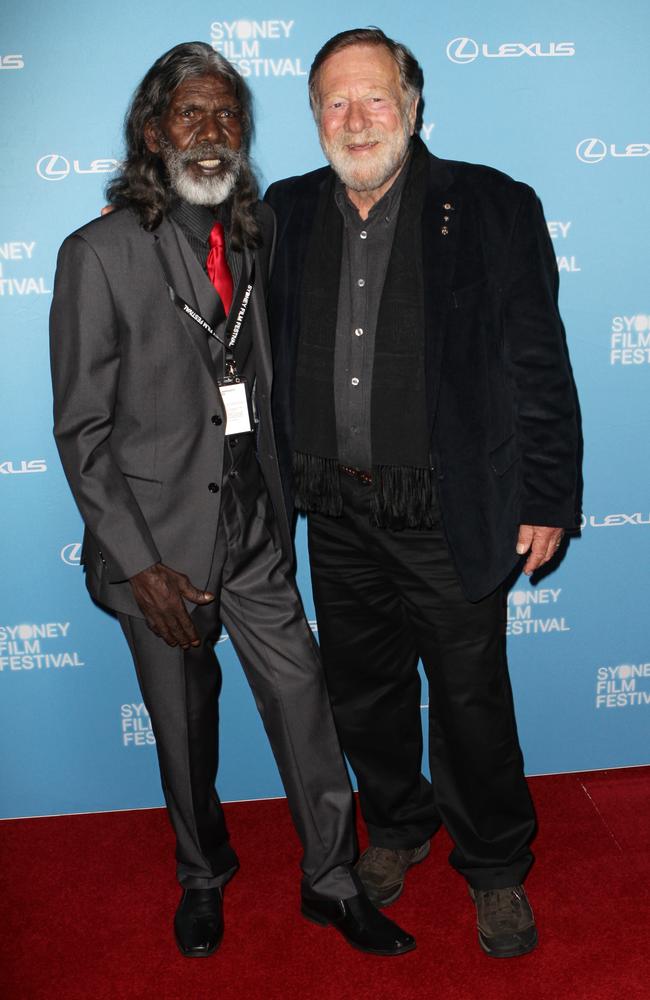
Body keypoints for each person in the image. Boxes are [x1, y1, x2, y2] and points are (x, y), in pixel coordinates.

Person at [49, 41, 415, 960]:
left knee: (304, 706)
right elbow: (82, 433)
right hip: (158, 550)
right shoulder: (96, 255)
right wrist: (141, 570)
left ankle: (331, 881)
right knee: (182, 731)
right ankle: (201, 876)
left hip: (253, 529)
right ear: (151, 132)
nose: (211, 135)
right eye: (190, 116)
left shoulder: (255, 232)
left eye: (227, 118)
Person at [265, 28, 580, 958]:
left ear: (411, 104)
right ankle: (398, 828)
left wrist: (548, 494)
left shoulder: (489, 204)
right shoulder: (284, 212)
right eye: (335, 102)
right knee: (364, 696)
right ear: (315, 116)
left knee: (472, 700)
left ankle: (494, 868)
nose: (355, 119)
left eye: (372, 98)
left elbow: (539, 364)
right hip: (335, 509)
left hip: (452, 512)